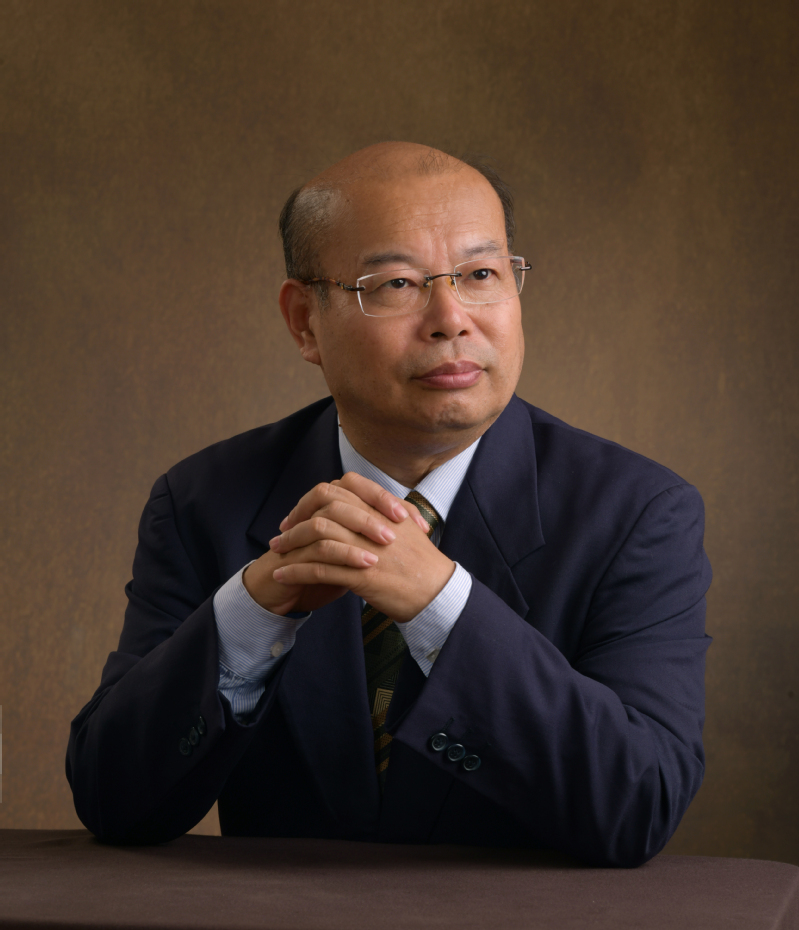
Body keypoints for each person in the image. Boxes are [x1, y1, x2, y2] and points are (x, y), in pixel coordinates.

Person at [66, 142, 712, 867]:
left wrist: (440, 602)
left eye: (480, 275)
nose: (450, 319)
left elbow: (638, 805)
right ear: (304, 321)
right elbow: (113, 800)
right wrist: (251, 613)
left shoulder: (636, 512)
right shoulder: (204, 501)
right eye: (397, 284)